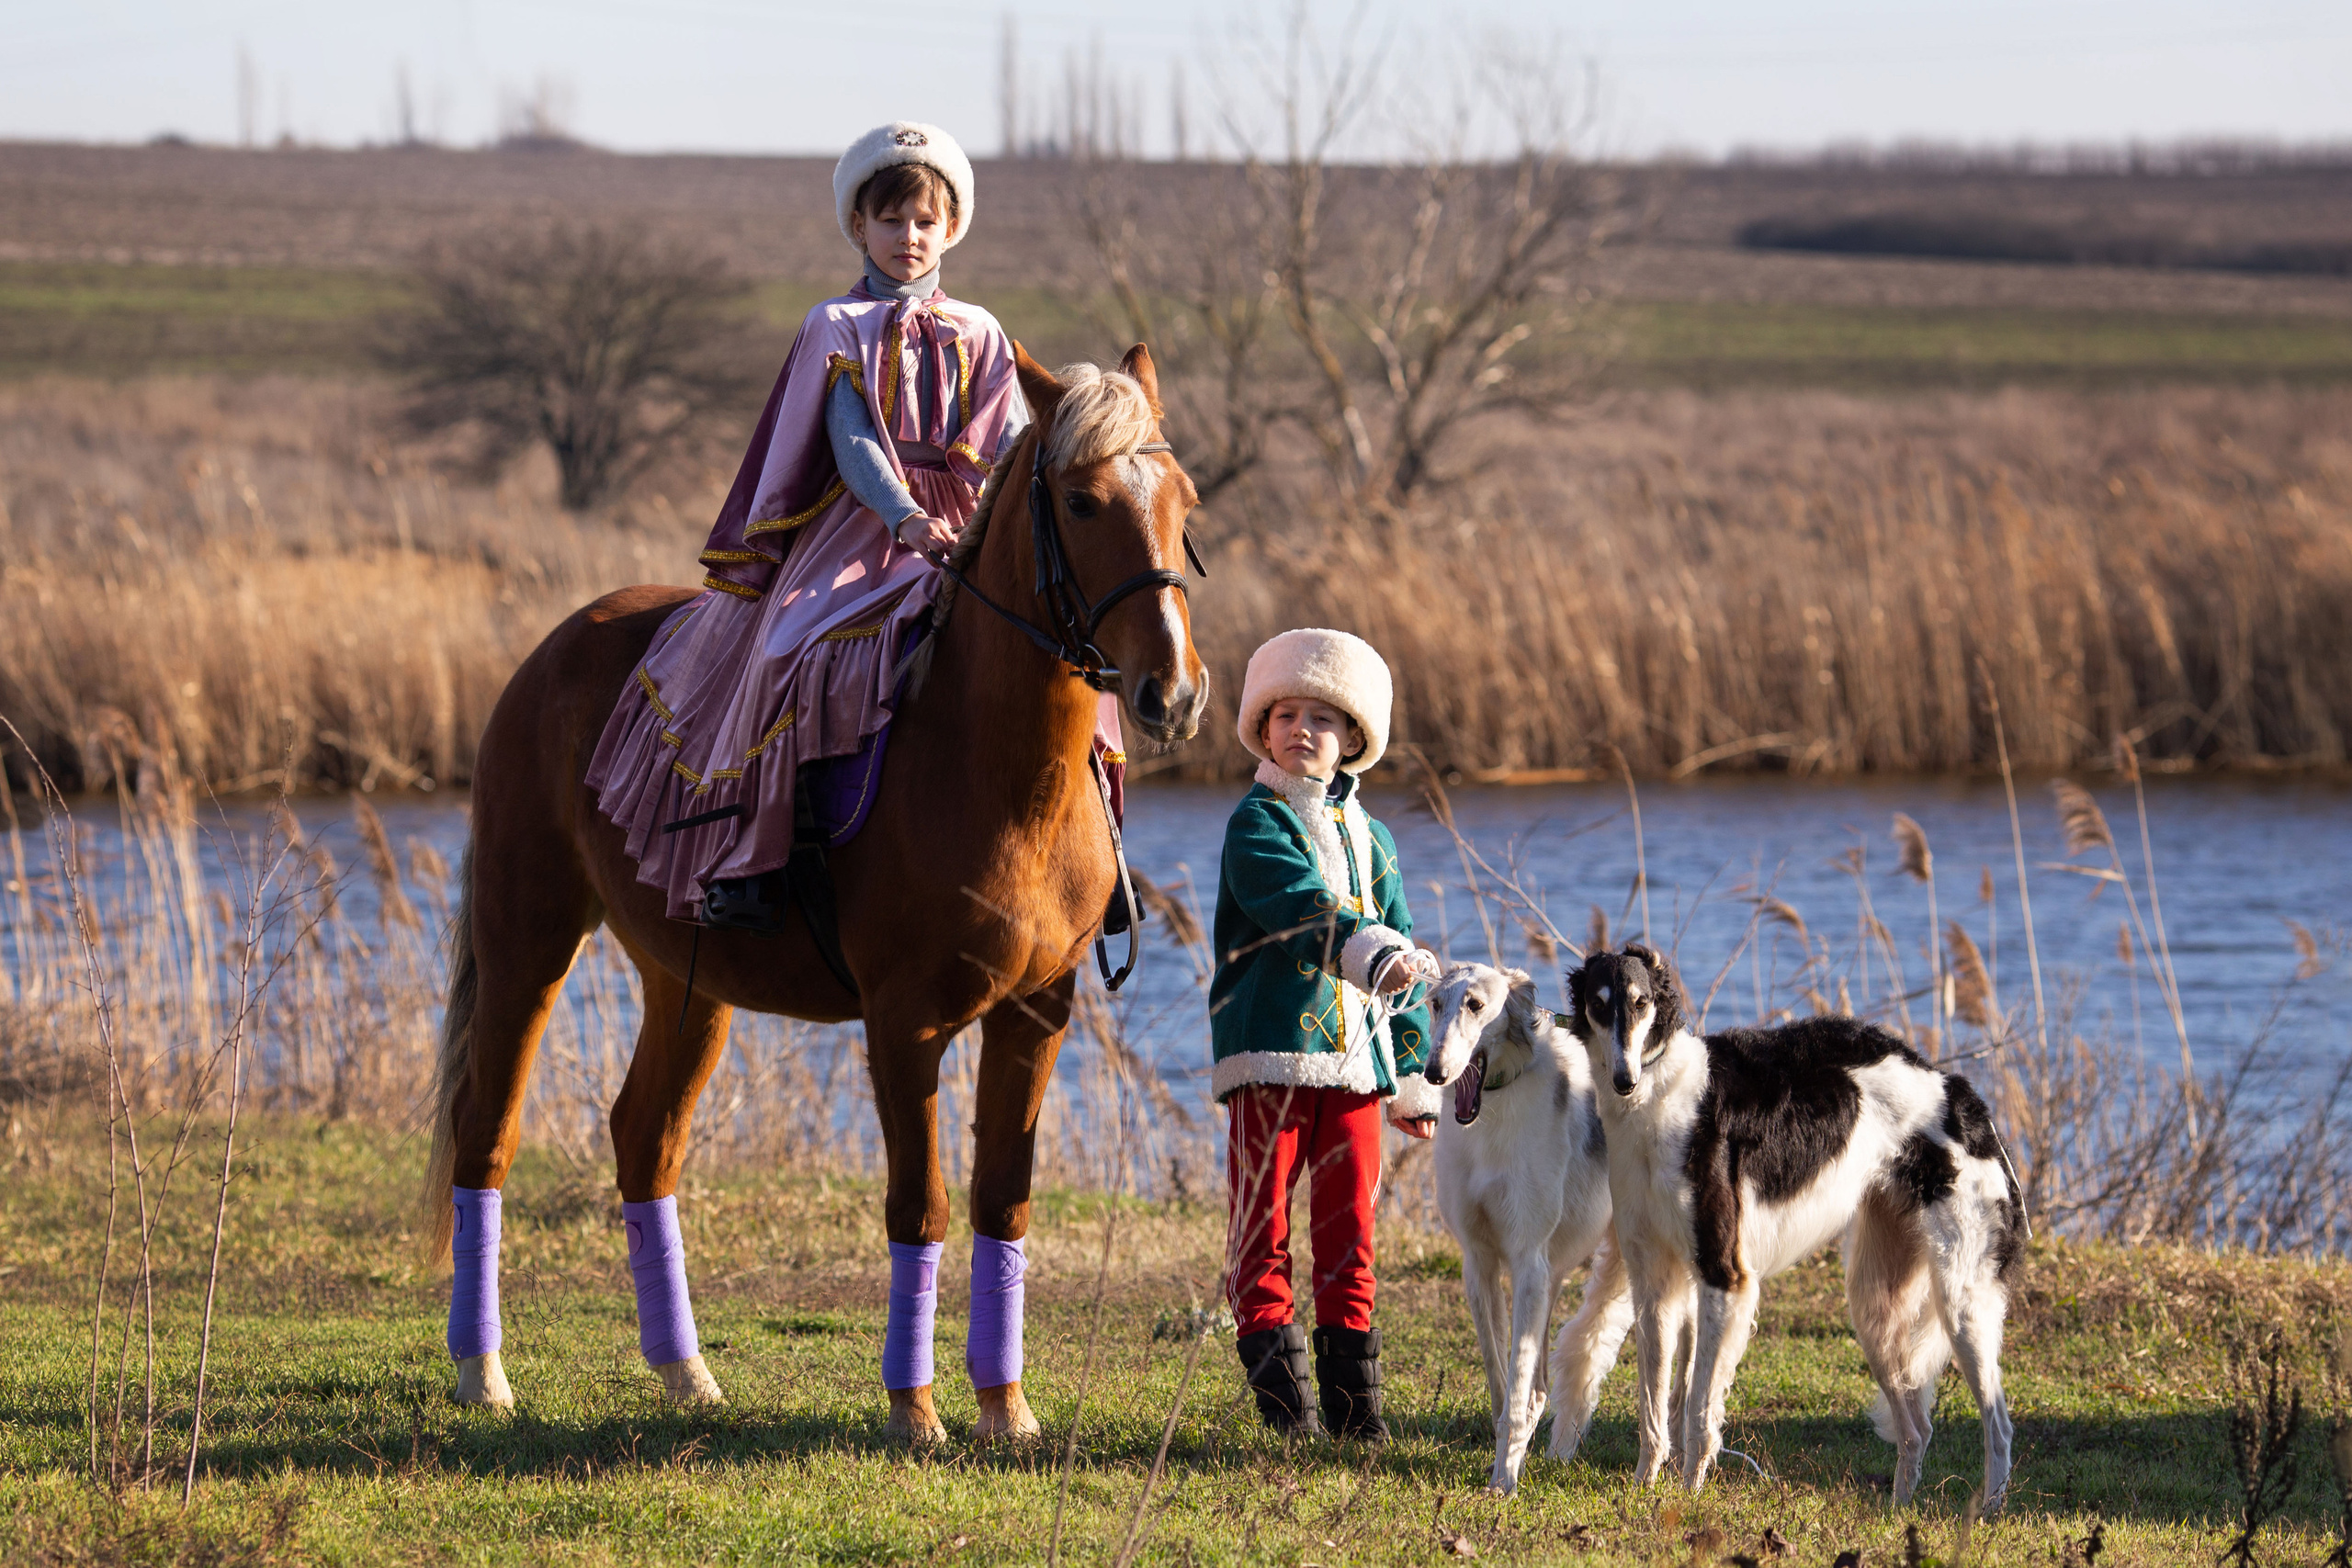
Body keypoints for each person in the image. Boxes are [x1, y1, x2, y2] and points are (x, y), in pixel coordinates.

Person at [587, 119, 1127, 925]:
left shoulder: (981, 330)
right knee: (780, 649)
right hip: (860, 529)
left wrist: (986, 526)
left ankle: (1104, 861)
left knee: (1079, 654)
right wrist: (905, 517)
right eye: (890, 220)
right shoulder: (832, 326)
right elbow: (852, 440)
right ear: (859, 226)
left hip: (964, 525)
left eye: (924, 222)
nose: (908, 237)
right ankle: (751, 858)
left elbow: (1009, 441)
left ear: (950, 229)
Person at [1210, 627, 1443, 1440]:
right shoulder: (1257, 823)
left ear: (1353, 739)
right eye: (1285, 713)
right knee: (1261, 1225)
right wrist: (1367, 948)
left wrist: (1412, 1072)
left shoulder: (1374, 840)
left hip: (1354, 1070)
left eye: (1323, 717)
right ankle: (1288, 1411)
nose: (1302, 729)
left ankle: (1355, 1412)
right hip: (1269, 1055)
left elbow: (1406, 953)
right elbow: (1293, 901)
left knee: (1351, 1230)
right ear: (1262, 726)